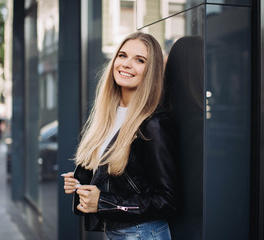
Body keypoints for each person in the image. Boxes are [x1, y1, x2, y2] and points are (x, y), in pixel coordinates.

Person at [62, 32, 179, 240]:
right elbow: (125, 180)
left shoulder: (154, 124)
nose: (126, 64)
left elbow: (167, 200)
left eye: (139, 60)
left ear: (150, 71)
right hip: (120, 233)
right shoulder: (109, 115)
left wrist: (104, 201)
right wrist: (81, 182)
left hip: (144, 233)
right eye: (122, 55)